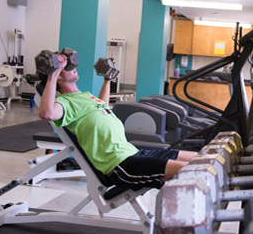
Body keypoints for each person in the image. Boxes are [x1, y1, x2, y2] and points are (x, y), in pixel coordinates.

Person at [38, 53, 197, 190]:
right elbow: (47, 113)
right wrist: (53, 72)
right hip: (120, 165)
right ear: (58, 75)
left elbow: (103, 106)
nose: (72, 67)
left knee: (201, 159)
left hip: (133, 151)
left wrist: (107, 80)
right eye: (65, 68)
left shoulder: (84, 96)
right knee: (196, 171)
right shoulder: (65, 102)